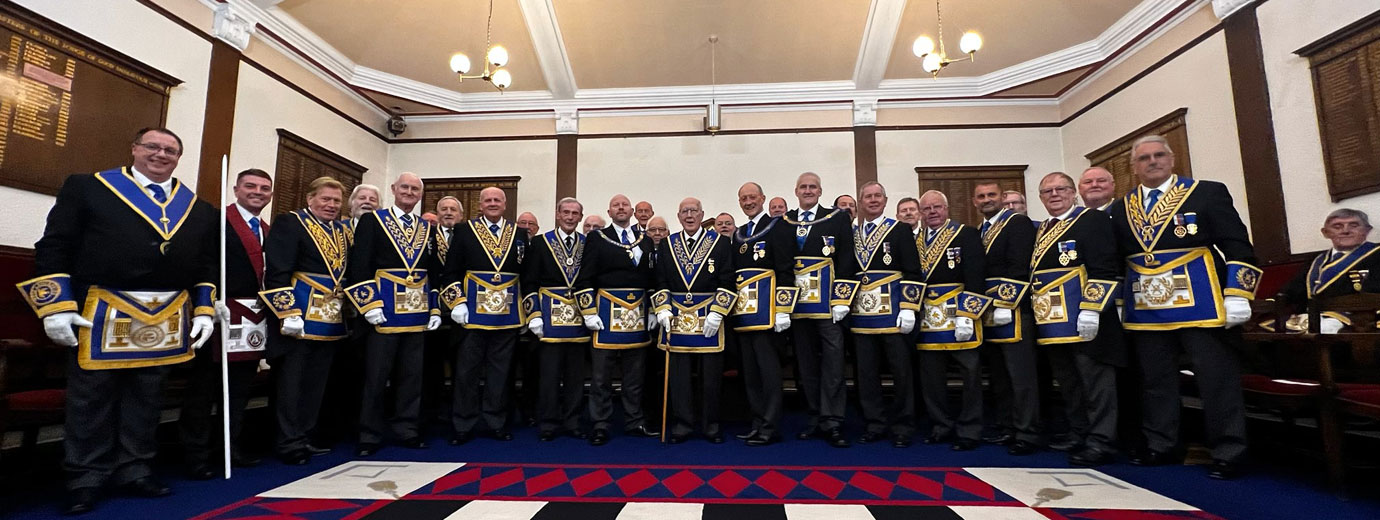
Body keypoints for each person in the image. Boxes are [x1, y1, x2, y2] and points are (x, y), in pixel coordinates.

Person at [17, 128, 217, 515]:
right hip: (101, 310)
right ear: (134, 149)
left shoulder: (199, 208)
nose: (161, 154)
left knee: (146, 398)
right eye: (152, 147)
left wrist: (205, 307)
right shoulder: (88, 188)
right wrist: (55, 306)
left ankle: (135, 469)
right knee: (91, 399)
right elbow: (55, 245)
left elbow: (206, 264)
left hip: (165, 316)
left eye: (171, 150)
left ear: (179, 158)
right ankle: (85, 477)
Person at [1109, 135, 1261, 479]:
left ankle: (1228, 450)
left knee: (1216, 380)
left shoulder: (1206, 193)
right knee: (1155, 381)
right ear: (1134, 167)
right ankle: (1161, 444)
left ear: (1172, 158)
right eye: (1144, 158)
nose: (1152, 161)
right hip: (1145, 308)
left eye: (1159, 155)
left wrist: (1237, 292)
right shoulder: (1121, 207)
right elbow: (1117, 259)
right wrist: (1119, 302)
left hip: (1203, 304)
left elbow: (1237, 245)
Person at [179, 168, 272, 480]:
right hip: (217, 315)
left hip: (251, 321)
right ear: (236, 189)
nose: (257, 192)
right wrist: (207, 301)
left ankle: (229, 449)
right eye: (251, 186)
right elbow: (200, 262)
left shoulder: (267, 229)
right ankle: (195, 455)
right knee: (204, 389)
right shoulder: (217, 221)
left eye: (264, 188)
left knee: (238, 390)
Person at [345, 172, 442, 457]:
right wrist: (369, 305)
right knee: (376, 376)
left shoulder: (427, 228)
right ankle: (369, 434)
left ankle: (407, 429)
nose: (410, 192)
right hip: (384, 312)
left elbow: (432, 271)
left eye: (415, 189)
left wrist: (434, 306)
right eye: (405, 187)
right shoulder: (373, 221)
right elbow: (359, 265)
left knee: (412, 377)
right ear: (394, 189)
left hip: (417, 314)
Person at [1032, 172, 1125, 467]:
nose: (1054, 194)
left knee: (1096, 382)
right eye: (1047, 191)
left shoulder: (1091, 220)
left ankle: (1101, 440)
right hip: (1054, 321)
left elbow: (1103, 266)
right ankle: (1079, 431)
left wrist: (1092, 308)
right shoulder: (1044, 228)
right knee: (1069, 382)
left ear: (1074, 193)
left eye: (1061, 189)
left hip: (1086, 317)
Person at [259, 177, 352, 465]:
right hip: (298, 317)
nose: (331, 205)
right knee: (291, 383)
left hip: (330, 319)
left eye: (336, 201)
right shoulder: (291, 223)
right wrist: (288, 312)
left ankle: (305, 435)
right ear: (310, 198)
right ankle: (288, 442)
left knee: (316, 382)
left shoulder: (343, 231)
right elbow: (277, 271)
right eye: (326, 199)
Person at [442, 187, 529, 444]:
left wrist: (527, 311)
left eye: (497, 200)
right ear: (480, 205)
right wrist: (457, 303)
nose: (493, 203)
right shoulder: (464, 230)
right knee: (466, 372)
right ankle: (463, 424)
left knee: (500, 373)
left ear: (505, 205)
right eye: (488, 200)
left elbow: (526, 275)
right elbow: (451, 271)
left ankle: (496, 422)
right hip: (472, 316)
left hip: (507, 316)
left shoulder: (520, 233)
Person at [575, 194, 661, 445]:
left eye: (625, 205)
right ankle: (600, 424)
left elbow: (652, 279)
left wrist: (655, 310)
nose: (621, 208)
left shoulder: (644, 240)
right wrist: (589, 311)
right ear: (609, 212)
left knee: (635, 376)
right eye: (616, 205)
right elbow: (585, 277)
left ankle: (634, 421)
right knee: (601, 376)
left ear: (633, 211)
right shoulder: (597, 238)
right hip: (604, 316)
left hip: (638, 315)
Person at [652, 197, 736, 444]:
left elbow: (728, 280)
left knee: (711, 376)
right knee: (678, 376)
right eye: (684, 212)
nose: (689, 215)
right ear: (678, 217)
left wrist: (718, 312)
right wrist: (663, 309)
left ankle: (711, 425)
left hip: (709, 316)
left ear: (702, 215)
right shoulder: (667, 244)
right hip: (676, 316)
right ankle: (683, 424)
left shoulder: (720, 243)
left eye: (694, 211)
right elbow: (661, 281)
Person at [781, 173, 856, 448]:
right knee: (805, 363)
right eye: (803, 187)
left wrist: (842, 299)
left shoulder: (836, 217)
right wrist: (781, 305)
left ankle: (833, 421)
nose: (808, 191)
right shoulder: (785, 220)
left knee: (834, 362)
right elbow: (782, 264)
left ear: (821, 191)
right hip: (797, 307)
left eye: (813, 187)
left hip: (828, 306)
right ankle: (814, 417)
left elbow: (847, 258)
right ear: (796, 191)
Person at [915, 190, 992, 451]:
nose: (932, 212)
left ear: (947, 209)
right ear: (921, 213)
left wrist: (968, 315)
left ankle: (970, 430)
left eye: (937, 207)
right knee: (931, 376)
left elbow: (975, 275)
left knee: (970, 374)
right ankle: (941, 425)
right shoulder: (916, 240)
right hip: (927, 317)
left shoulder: (966, 234)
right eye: (927, 209)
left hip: (959, 313)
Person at [850, 182, 923, 448]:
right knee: (866, 374)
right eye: (867, 196)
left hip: (894, 315)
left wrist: (908, 307)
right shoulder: (852, 233)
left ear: (885, 200)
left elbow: (913, 271)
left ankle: (904, 425)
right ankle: (874, 423)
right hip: (861, 317)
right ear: (860, 202)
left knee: (901, 373)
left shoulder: (900, 230)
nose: (872, 200)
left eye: (877, 196)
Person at [971, 182, 1040, 455]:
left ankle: (1027, 432)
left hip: (1014, 310)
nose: (986, 200)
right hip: (988, 311)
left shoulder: (1017, 224)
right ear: (974, 202)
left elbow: (1019, 267)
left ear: (1002, 198)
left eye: (991, 195)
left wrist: (1006, 303)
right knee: (1000, 375)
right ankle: (1008, 426)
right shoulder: (981, 230)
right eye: (981, 196)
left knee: (1021, 375)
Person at [729, 182, 797, 446]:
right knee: (750, 373)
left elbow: (785, 269)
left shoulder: (779, 227)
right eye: (743, 198)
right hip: (744, 316)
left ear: (762, 198)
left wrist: (782, 309)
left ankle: (770, 425)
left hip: (769, 315)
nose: (748, 201)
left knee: (769, 373)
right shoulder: (739, 233)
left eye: (752, 197)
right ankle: (757, 422)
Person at [522, 197, 590, 441]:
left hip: (580, 321)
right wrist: (534, 314)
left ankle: (573, 421)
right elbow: (529, 281)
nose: (570, 217)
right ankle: (548, 423)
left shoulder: (587, 243)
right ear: (557, 214)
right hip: (548, 321)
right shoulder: (540, 243)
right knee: (548, 375)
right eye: (566, 213)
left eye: (575, 213)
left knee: (576, 376)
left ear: (581, 217)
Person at [1277, 209, 1378, 331]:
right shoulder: (1316, 260)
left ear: (1367, 230)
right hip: (1311, 316)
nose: (1346, 231)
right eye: (1337, 226)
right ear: (1326, 233)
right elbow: (1292, 290)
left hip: (1358, 320)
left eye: (1354, 225)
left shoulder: (1376, 255)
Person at [423, 196, 465, 423]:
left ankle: (458, 411)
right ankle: (432, 412)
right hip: (433, 308)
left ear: (461, 214)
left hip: (462, 310)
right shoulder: (427, 236)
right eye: (444, 209)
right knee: (431, 365)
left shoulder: (468, 236)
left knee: (462, 366)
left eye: (453, 209)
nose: (448, 213)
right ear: (437, 214)